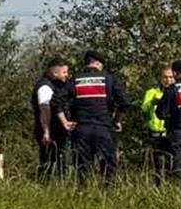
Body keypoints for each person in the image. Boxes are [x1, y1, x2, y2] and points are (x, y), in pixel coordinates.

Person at [55, 50, 133, 183]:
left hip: (81, 129)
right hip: (104, 128)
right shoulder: (108, 79)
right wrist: (116, 120)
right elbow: (125, 103)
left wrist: (65, 122)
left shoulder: (75, 80)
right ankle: (107, 195)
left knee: (82, 167)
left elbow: (56, 102)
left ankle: (83, 194)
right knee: (108, 166)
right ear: (97, 63)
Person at [31, 57, 71, 178]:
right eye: (64, 72)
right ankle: (47, 185)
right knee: (49, 162)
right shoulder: (45, 87)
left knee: (57, 161)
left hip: (55, 130)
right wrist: (46, 132)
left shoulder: (55, 86)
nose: (67, 75)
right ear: (54, 73)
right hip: (51, 131)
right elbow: (45, 109)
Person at [140, 64, 175, 179]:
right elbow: (144, 110)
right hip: (155, 134)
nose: (168, 80)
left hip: (171, 133)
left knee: (173, 165)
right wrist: (152, 103)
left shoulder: (176, 92)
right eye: (165, 77)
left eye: (170, 77)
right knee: (157, 166)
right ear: (160, 78)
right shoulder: (151, 92)